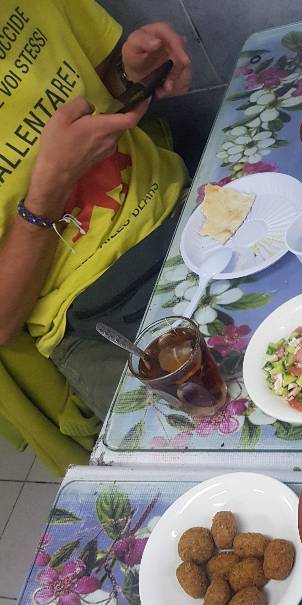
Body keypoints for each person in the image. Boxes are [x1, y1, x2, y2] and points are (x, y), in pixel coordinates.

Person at [0, 0, 192, 469]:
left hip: (180, 206)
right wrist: (48, 190)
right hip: (88, 315)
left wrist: (134, 74)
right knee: (201, 458)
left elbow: (104, 82)